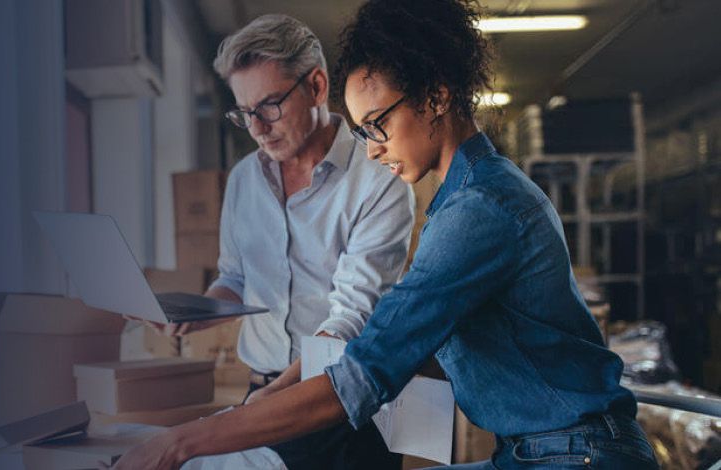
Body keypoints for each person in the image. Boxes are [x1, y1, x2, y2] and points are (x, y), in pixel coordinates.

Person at [110, 0, 660, 469]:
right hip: (537, 449)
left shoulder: (479, 209)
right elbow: (399, 336)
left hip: (577, 454)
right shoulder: (464, 198)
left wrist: (180, 441)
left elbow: (366, 363)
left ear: (436, 97)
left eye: (378, 124)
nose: (372, 147)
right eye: (361, 130)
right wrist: (268, 397)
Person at [134, 13, 414, 470]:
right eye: (245, 113)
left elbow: (349, 323)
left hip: (343, 406)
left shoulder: (379, 182)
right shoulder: (245, 178)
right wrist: (191, 314)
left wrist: (270, 401)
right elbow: (236, 278)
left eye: (269, 106)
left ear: (317, 87)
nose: (257, 128)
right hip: (261, 392)